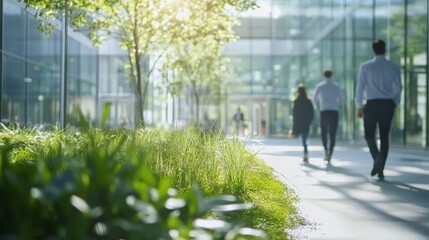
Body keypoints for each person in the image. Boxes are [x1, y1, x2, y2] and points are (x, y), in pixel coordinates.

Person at [355, 39, 402, 180]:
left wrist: (358, 106)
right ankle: (380, 169)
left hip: (371, 104)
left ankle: (377, 159)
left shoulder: (365, 67)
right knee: (384, 137)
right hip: (387, 104)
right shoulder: (393, 67)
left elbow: (360, 87)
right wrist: (395, 102)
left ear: (373, 50)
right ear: (385, 49)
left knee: (369, 135)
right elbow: (399, 87)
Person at [312, 70, 343, 162]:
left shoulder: (320, 86)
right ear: (331, 75)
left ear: (324, 75)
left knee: (323, 132)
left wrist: (316, 107)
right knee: (332, 133)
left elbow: (314, 99)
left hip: (324, 111)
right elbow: (341, 99)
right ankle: (331, 153)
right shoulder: (337, 86)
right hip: (334, 111)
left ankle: (326, 150)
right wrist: (334, 102)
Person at [292, 85, 314, 161]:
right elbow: (312, 112)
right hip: (306, 122)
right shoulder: (308, 101)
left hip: (299, 122)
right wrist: (310, 121)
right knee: (304, 137)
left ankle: (305, 152)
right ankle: (305, 152)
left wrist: (294, 125)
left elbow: (294, 114)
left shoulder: (296, 101)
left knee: (303, 138)